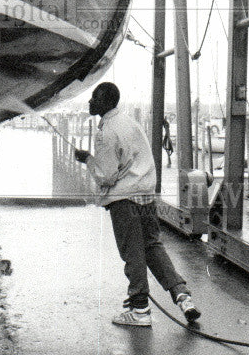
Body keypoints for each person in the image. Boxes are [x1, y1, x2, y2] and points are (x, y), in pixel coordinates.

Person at [74, 82, 201, 328]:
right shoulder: (129, 122)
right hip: (145, 193)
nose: (90, 102)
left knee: (132, 252)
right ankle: (182, 296)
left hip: (125, 199)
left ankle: (140, 309)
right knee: (152, 246)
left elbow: (106, 176)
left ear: (106, 102)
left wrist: (87, 159)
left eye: (94, 98)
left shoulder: (106, 132)